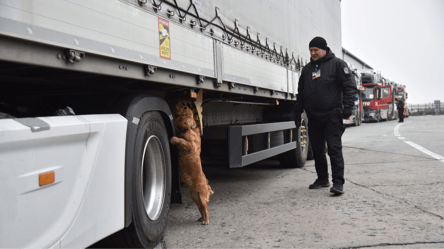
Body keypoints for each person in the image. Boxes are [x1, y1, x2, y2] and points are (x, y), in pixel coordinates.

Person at [294, 37, 357, 195]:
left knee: (334, 149)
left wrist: (348, 107)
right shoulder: (307, 69)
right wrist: (297, 111)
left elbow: (350, 87)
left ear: (324, 49)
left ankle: (338, 183)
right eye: (311, 50)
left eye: (315, 50)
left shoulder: (337, 64)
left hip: (332, 116)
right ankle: (322, 179)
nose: (313, 53)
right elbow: (301, 93)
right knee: (317, 150)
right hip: (313, 117)